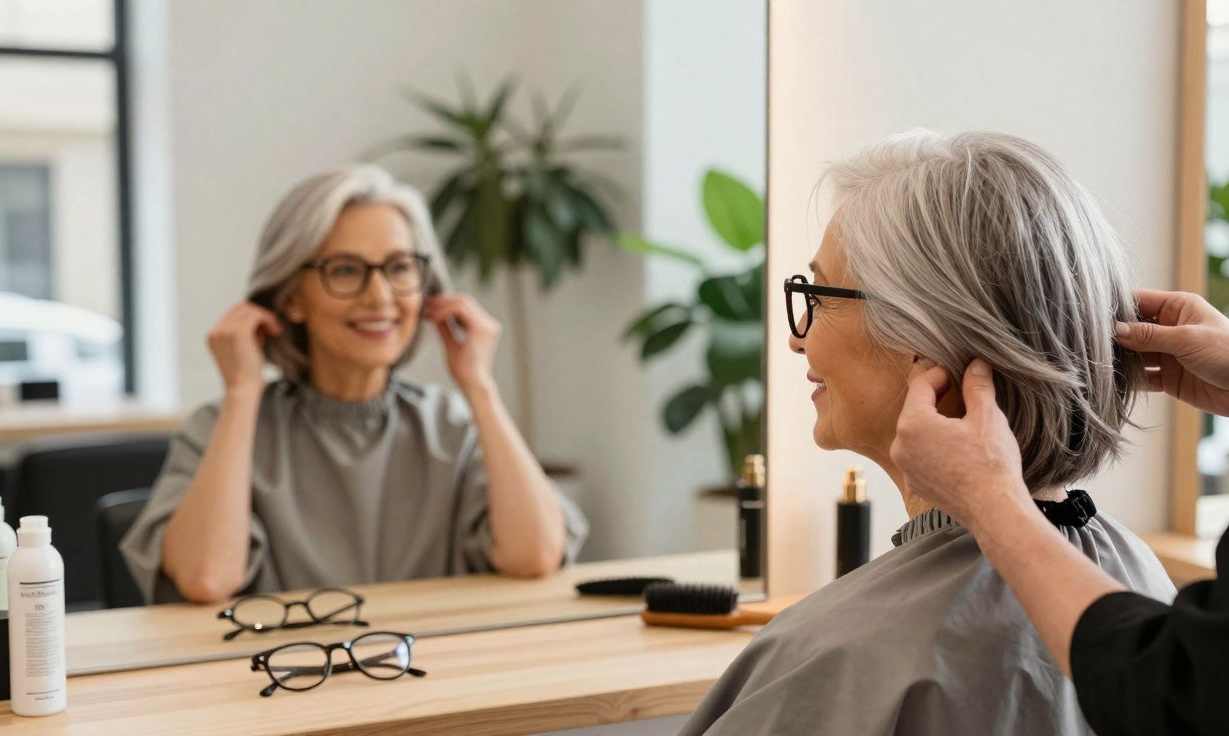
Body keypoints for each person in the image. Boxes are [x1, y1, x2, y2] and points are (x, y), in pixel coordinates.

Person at [679, 130, 1175, 736]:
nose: (797, 334)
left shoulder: (836, 655)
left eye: (820, 295)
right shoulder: (1140, 583)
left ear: (926, 343)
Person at [891, 2, 1229, 734]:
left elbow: (1201, 700)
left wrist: (997, 507)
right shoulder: (1131, 564)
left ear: (929, 347)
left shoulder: (834, 644)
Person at [121, 165, 587, 604]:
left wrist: (480, 386)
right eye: (345, 270)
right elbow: (207, 578)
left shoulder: (451, 424)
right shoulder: (220, 428)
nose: (380, 297)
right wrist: (243, 392)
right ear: (290, 299)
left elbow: (536, 556)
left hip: (433, 679)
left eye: (400, 268)